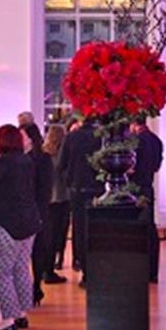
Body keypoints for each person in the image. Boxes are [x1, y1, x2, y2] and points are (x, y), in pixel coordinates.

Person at [0, 124, 40, 330]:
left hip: (6, 224)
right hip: (29, 222)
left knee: (1, 272)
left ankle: (7, 320)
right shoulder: (26, 161)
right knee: (21, 267)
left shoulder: (2, 163)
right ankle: (22, 313)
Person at [57, 117, 98, 287]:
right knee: (94, 230)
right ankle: (95, 272)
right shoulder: (99, 137)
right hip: (96, 188)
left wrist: (69, 178)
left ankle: (84, 270)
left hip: (77, 188)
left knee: (79, 230)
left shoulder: (71, 137)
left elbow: (61, 164)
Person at [129, 115, 164, 283]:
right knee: (150, 227)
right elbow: (157, 166)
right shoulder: (156, 140)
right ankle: (153, 271)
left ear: (135, 124)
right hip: (148, 186)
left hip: (135, 188)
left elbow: (130, 168)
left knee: (137, 229)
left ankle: (138, 269)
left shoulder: (135, 141)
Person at [21, 122, 52, 305]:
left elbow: (44, 188)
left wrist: (40, 211)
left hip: (36, 209)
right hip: (26, 209)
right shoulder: (21, 158)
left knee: (38, 249)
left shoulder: (41, 158)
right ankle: (30, 288)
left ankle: (36, 286)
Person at [40, 123, 69, 284]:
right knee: (56, 235)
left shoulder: (44, 153)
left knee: (47, 235)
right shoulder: (61, 154)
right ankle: (49, 269)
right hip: (61, 197)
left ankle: (46, 267)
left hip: (47, 199)